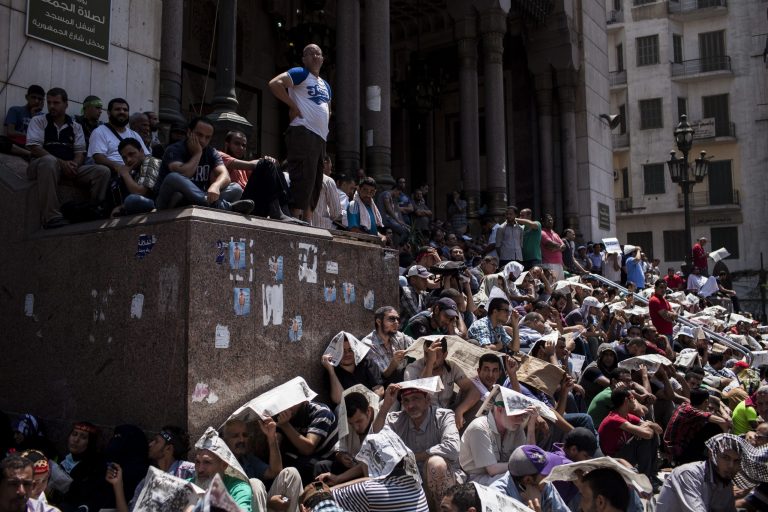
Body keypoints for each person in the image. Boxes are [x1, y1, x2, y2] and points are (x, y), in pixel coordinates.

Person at [25, 87, 111, 229]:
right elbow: (34, 148)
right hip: (40, 166)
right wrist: (62, 163)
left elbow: (80, 152)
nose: (52, 106)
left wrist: (75, 165)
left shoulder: (75, 126)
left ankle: (94, 210)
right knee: (49, 161)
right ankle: (51, 217)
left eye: (56, 102)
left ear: (66, 104)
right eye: (49, 102)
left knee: (102, 171)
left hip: (68, 168)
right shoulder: (38, 121)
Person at [372, 384, 463, 507]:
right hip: (413, 483)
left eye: (416, 399)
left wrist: (413, 457)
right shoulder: (397, 419)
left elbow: (452, 448)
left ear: (427, 400)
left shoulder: (444, 416)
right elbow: (376, 438)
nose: (410, 406)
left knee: (436, 464)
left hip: (446, 481)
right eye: (406, 401)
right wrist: (386, 406)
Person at [269, 43, 331, 221]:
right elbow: (275, 84)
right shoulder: (300, 73)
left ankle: (308, 222)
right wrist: (293, 106)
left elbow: (328, 109)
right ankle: (295, 220)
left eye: (318, 53)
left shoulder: (326, 85)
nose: (315, 56)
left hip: (320, 137)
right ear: (304, 59)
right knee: (303, 178)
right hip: (304, 131)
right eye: (310, 54)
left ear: (323, 59)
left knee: (316, 182)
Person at [153, 117, 254, 214]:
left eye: (207, 137)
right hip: (170, 202)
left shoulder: (211, 152)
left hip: (196, 200)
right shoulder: (174, 149)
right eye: (199, 135)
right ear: (189, 133)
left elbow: (225, 176)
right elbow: (185, 174)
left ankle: (208, 203)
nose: (203, 140)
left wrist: (216, 186)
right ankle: (225, 206)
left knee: (236, 188)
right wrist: (198, 153)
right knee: (173, 177)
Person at [330, 429, 429, 512]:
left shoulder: (369, 491)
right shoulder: (416, 484)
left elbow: (326, 495)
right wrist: (338, 480)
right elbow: (368, 482)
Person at [221, 419, 302, 512]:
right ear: (225, 440)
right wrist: (268, 502)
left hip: (261, 506)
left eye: (245, 435)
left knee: (291, 473)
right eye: (235, 436)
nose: (241, 439)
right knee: (254, 484)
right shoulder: (219, 464)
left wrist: (271, 438)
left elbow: (275, 472)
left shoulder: (247, 458)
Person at [403, 338, 480, 428]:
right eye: (427, 354)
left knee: (478, 405)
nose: (431, 358)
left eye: (436, 355)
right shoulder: (412, 369)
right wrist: (429, 364)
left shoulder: (451, 367)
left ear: (445, 355)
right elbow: (418, 399)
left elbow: (474, 391)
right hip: (422, 419)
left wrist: (460, 410)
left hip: (445, 416)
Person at [655, 433, 744, 511]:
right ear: (711, 454)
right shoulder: (688, 474)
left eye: (736, 461)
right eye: (726, 458)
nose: (731, 465)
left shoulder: (724, 480)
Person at [459, 399, 538, 485]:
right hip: (476, 478)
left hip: (504, 475)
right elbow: (492, 470)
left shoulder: (516, 428)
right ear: (500, 409)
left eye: (524, 416)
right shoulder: (479, 427)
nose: (521, 420)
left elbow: (529, 456)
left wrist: (531, 426)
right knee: (516, 483)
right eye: (517, 415)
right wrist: (524, 466)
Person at [597, 389, 661, 483]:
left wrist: (649, 425)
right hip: (613, 460)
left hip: (624, 455)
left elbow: (659, 430)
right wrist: (647, 426)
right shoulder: (614, 419)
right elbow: (647, 435)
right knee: (643, 439)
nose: (635, 401)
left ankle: (652, 475)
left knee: (652, 434)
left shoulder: (627, 416)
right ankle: (645, 480)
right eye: (633, 398)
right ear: (626, 400)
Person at [189, 427, 253, 512]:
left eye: (207, 462)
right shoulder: (187, 485)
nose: (200, 469)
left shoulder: (238, 489)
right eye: (197, 462)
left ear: (224, 465)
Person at [275, 399, 338, 485]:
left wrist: (285, 426)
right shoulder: (284, 414)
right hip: (299, 456)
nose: (288, 406)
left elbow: (308, 448)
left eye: (292, 402)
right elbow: (275, 449)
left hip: (326, 459)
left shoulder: (321, 412)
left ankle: (316, 494)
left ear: (303, 401)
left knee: (309, 467)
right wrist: (271, 435)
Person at [663, 388, 731, 465]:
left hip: (673, 447)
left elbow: (716, 399)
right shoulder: (693, 412)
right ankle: (721, 453)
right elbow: (724, 422)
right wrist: (727, 438)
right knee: (714, 426)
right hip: (677, 452)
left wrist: (723, 410)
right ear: (706, 402)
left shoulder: (686, 404)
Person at [321, 332, 384, 406]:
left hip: (372, 406)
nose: (347, 354)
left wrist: (369, 408)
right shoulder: (332, 372)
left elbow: (379, 389)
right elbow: (338, 400)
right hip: (347, 412)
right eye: (342, 351)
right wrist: (331, 371)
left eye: (350, 350)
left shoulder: (367, 362)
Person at [361, 306, 415, 385]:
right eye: (391, 319)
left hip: (402, 382)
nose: (396, 322)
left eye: (398, 319)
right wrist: (394, 363)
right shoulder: (368, 344)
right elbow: (382, 375)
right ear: (379, 322)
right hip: (382, 386)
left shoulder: (398, 336)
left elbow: (416, 343)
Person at [112, 138, 161, 215]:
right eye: (124, 158)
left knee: (130, 200)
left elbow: (139, 193)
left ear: (141, 151)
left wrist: (125, 174)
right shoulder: (135, 170)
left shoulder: (150, 161)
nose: (128, 160)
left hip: (162, 203)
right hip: (151, 203)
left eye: (131, 154)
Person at [4, 84, 44, 158]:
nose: (36, 101)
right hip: (17, 143)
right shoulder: (15, 110)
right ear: (27, 97)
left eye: (39, 99)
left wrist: (34, 117)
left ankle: (30, 153)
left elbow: (41, 137)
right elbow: (10, 132)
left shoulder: (43, 117)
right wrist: (28, 136)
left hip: (33, 146)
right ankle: (29, 154)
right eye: (33, 97)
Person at [310, 155, 343, 229]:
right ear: (325, 164)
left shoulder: (301, 178)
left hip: (302, 226)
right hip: (323, 228)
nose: (331, 171)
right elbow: (336, 213)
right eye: (330, 166)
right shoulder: (328, 181)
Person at [648, 279, 677, 343]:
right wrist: (672, 315)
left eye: (665, 288)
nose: (663, 290)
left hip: (669, 333)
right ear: (655, 288)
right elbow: (666, 317)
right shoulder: (654, 300)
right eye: (661, 287)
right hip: (661, 334)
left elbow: (676, 315)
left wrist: (672, 315)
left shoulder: (664, 300)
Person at [539, 213, 566, 280]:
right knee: (551, 287)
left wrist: (555, 248)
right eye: (548, 220)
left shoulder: (555, 234)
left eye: (551, 220)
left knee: (560, 288)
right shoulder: (542, 232)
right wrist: (559, 247)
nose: (550, 222)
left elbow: (564, 247)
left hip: (559, 264)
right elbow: (549, 245)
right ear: (543, 222)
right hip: (549, 265)